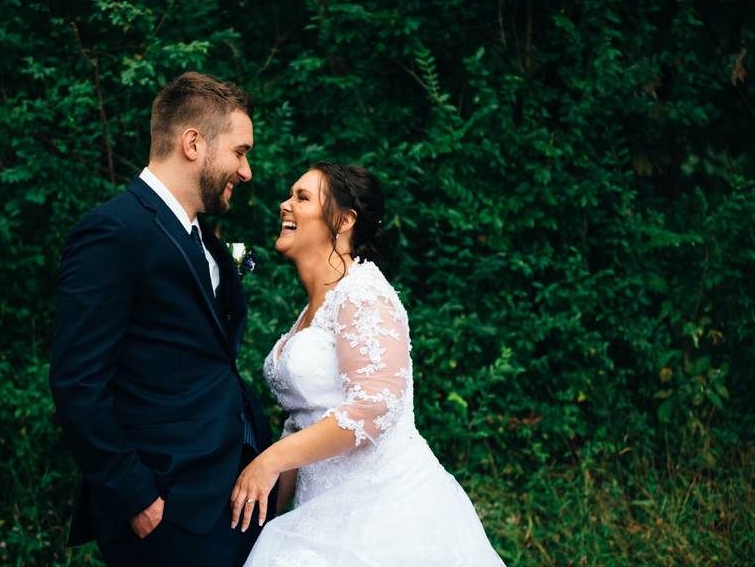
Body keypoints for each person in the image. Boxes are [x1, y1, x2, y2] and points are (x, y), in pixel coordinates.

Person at [49, 72, 273, 567]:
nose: (246, 171)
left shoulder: (208, 240)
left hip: (229, 495)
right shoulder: (112, 231)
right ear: (193, 143)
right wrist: (136, 497)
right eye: (240, 152)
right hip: (165, 509)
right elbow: (76, 381)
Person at [232, 163, 506, 566]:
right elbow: (305, 423)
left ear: (343, 220)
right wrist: (262, 506)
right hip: (318, 512)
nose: (284, 205)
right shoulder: (312, 310)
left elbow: (375, 407)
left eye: (302, 197)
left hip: (384, 516)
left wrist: (270, 459)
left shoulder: (362, 293)